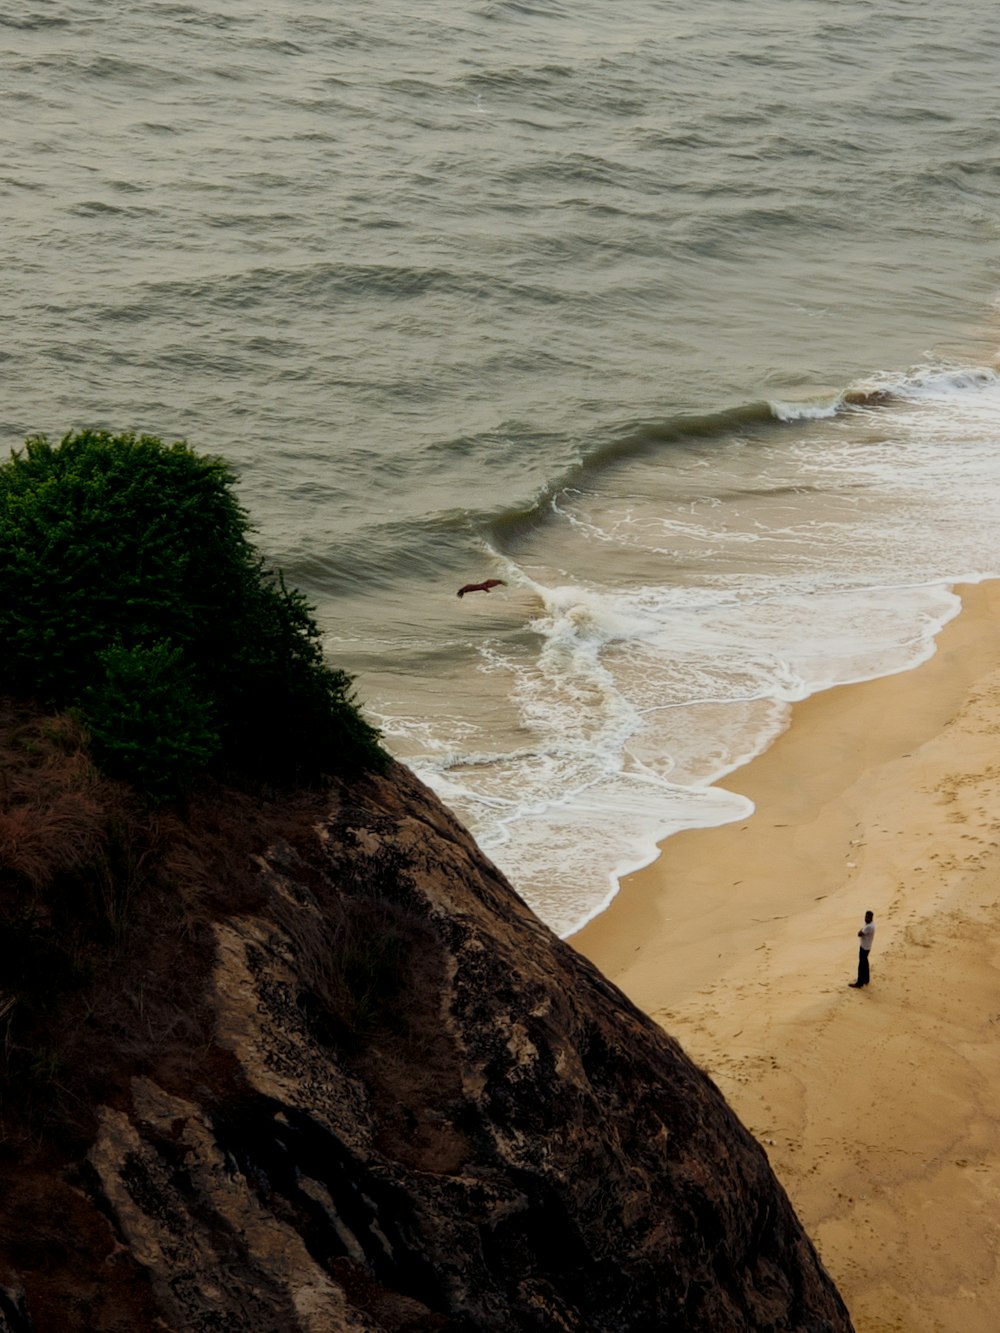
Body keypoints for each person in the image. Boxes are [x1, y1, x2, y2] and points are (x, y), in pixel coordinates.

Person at [849, 910, 875, 987]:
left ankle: (859, 983)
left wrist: (860, 931)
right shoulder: (870, 924)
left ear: (871, 918)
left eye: (868, 917)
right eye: (866, 916)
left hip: (864, 947)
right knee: (865, 963)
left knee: (861, 965)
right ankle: (866, 979)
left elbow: (859, 934)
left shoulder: (869, 927)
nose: (866, 918)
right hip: (867, 946)